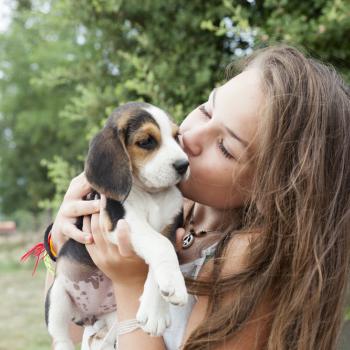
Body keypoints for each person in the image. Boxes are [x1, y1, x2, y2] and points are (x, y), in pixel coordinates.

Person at [47, 45, 350, 349]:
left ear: (271, 191)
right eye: (207, 109)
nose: (187, 139)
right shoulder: (165, 202)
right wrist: (60, 242)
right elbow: (75, 329)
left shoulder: (244, 258)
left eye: (225, 148)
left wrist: (129, 284)